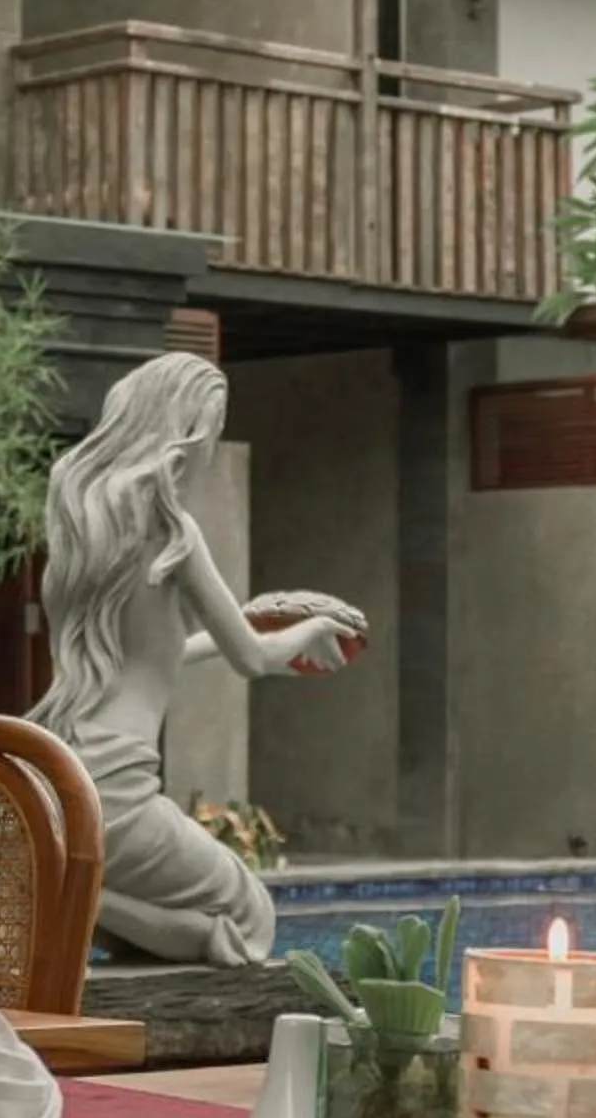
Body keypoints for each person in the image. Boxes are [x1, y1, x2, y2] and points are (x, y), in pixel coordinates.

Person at [28, 353, 359, 964]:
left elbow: (156, 658)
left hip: (63, 767)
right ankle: (74, 894)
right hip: (120, 788)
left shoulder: (82, 524)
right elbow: (252, 659)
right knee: (249, 919)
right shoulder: (173, 530)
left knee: (170, 923)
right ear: (188, 431)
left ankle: (74, 889)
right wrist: (308, 627)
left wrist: (252, 623)